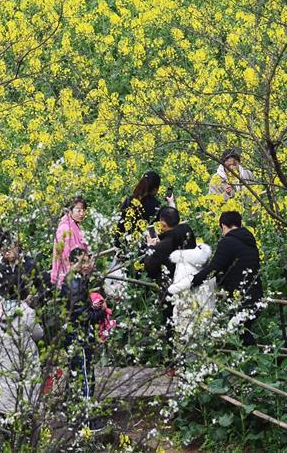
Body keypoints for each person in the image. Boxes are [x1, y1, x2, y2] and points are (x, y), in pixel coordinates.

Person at [0, 261, 44, 427]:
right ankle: (25, 425)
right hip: (25, 355)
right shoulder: (28, 312)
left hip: (4, 356)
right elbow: (38, 334)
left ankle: (7, 425)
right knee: (27, 389)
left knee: (5, 386)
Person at [191, 211, 264, 346]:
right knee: (242, 333)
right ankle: (252, 362)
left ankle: (254, 362)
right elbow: (235, 267)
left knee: (237, 332)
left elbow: (214, 268)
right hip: (255, 294)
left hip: (243, 297)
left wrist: (192, 281)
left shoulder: (228, 242)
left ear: (223, 226)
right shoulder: (249, 241)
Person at [63, 248, 107, 432]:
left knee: (77, 375)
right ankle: (85, 420)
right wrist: (101, 311)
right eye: (82, 262)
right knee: (85, 377)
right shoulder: (76, 284)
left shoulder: (74, 280)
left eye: (87, 261)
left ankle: (74, 414)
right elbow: (82, 316)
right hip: (78, 335)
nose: (86, 265)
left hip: (73, 334)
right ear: (72, 263)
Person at [143, 206, 197, 327]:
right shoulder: (186, 231)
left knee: (171, 321)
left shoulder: (166, 244)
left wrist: (151, 247)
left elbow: (150, 268)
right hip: (189, 282)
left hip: (171, 287)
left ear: (163, 223)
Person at [115, 171, 173, 252]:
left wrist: (118, 245)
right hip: (144, 251)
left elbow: (120, 225)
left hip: (123, 247)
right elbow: (171, 225)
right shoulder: (156, 206)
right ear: (155, 189)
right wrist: (171, 202)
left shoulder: (128, 200)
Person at [167, 243, 214, 341]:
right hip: (204, 308)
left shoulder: (183, 263)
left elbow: (179, 287)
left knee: (183, 336)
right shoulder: (208, 267)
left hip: (186, 306)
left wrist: (171, 289)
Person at [50, 196, 89, 289]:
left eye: (83, 210)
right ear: (70, 211)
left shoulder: (75, 226)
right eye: (78, 210)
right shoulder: (65, 228)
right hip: (68, 272)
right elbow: (64, 255)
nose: (82, 214)